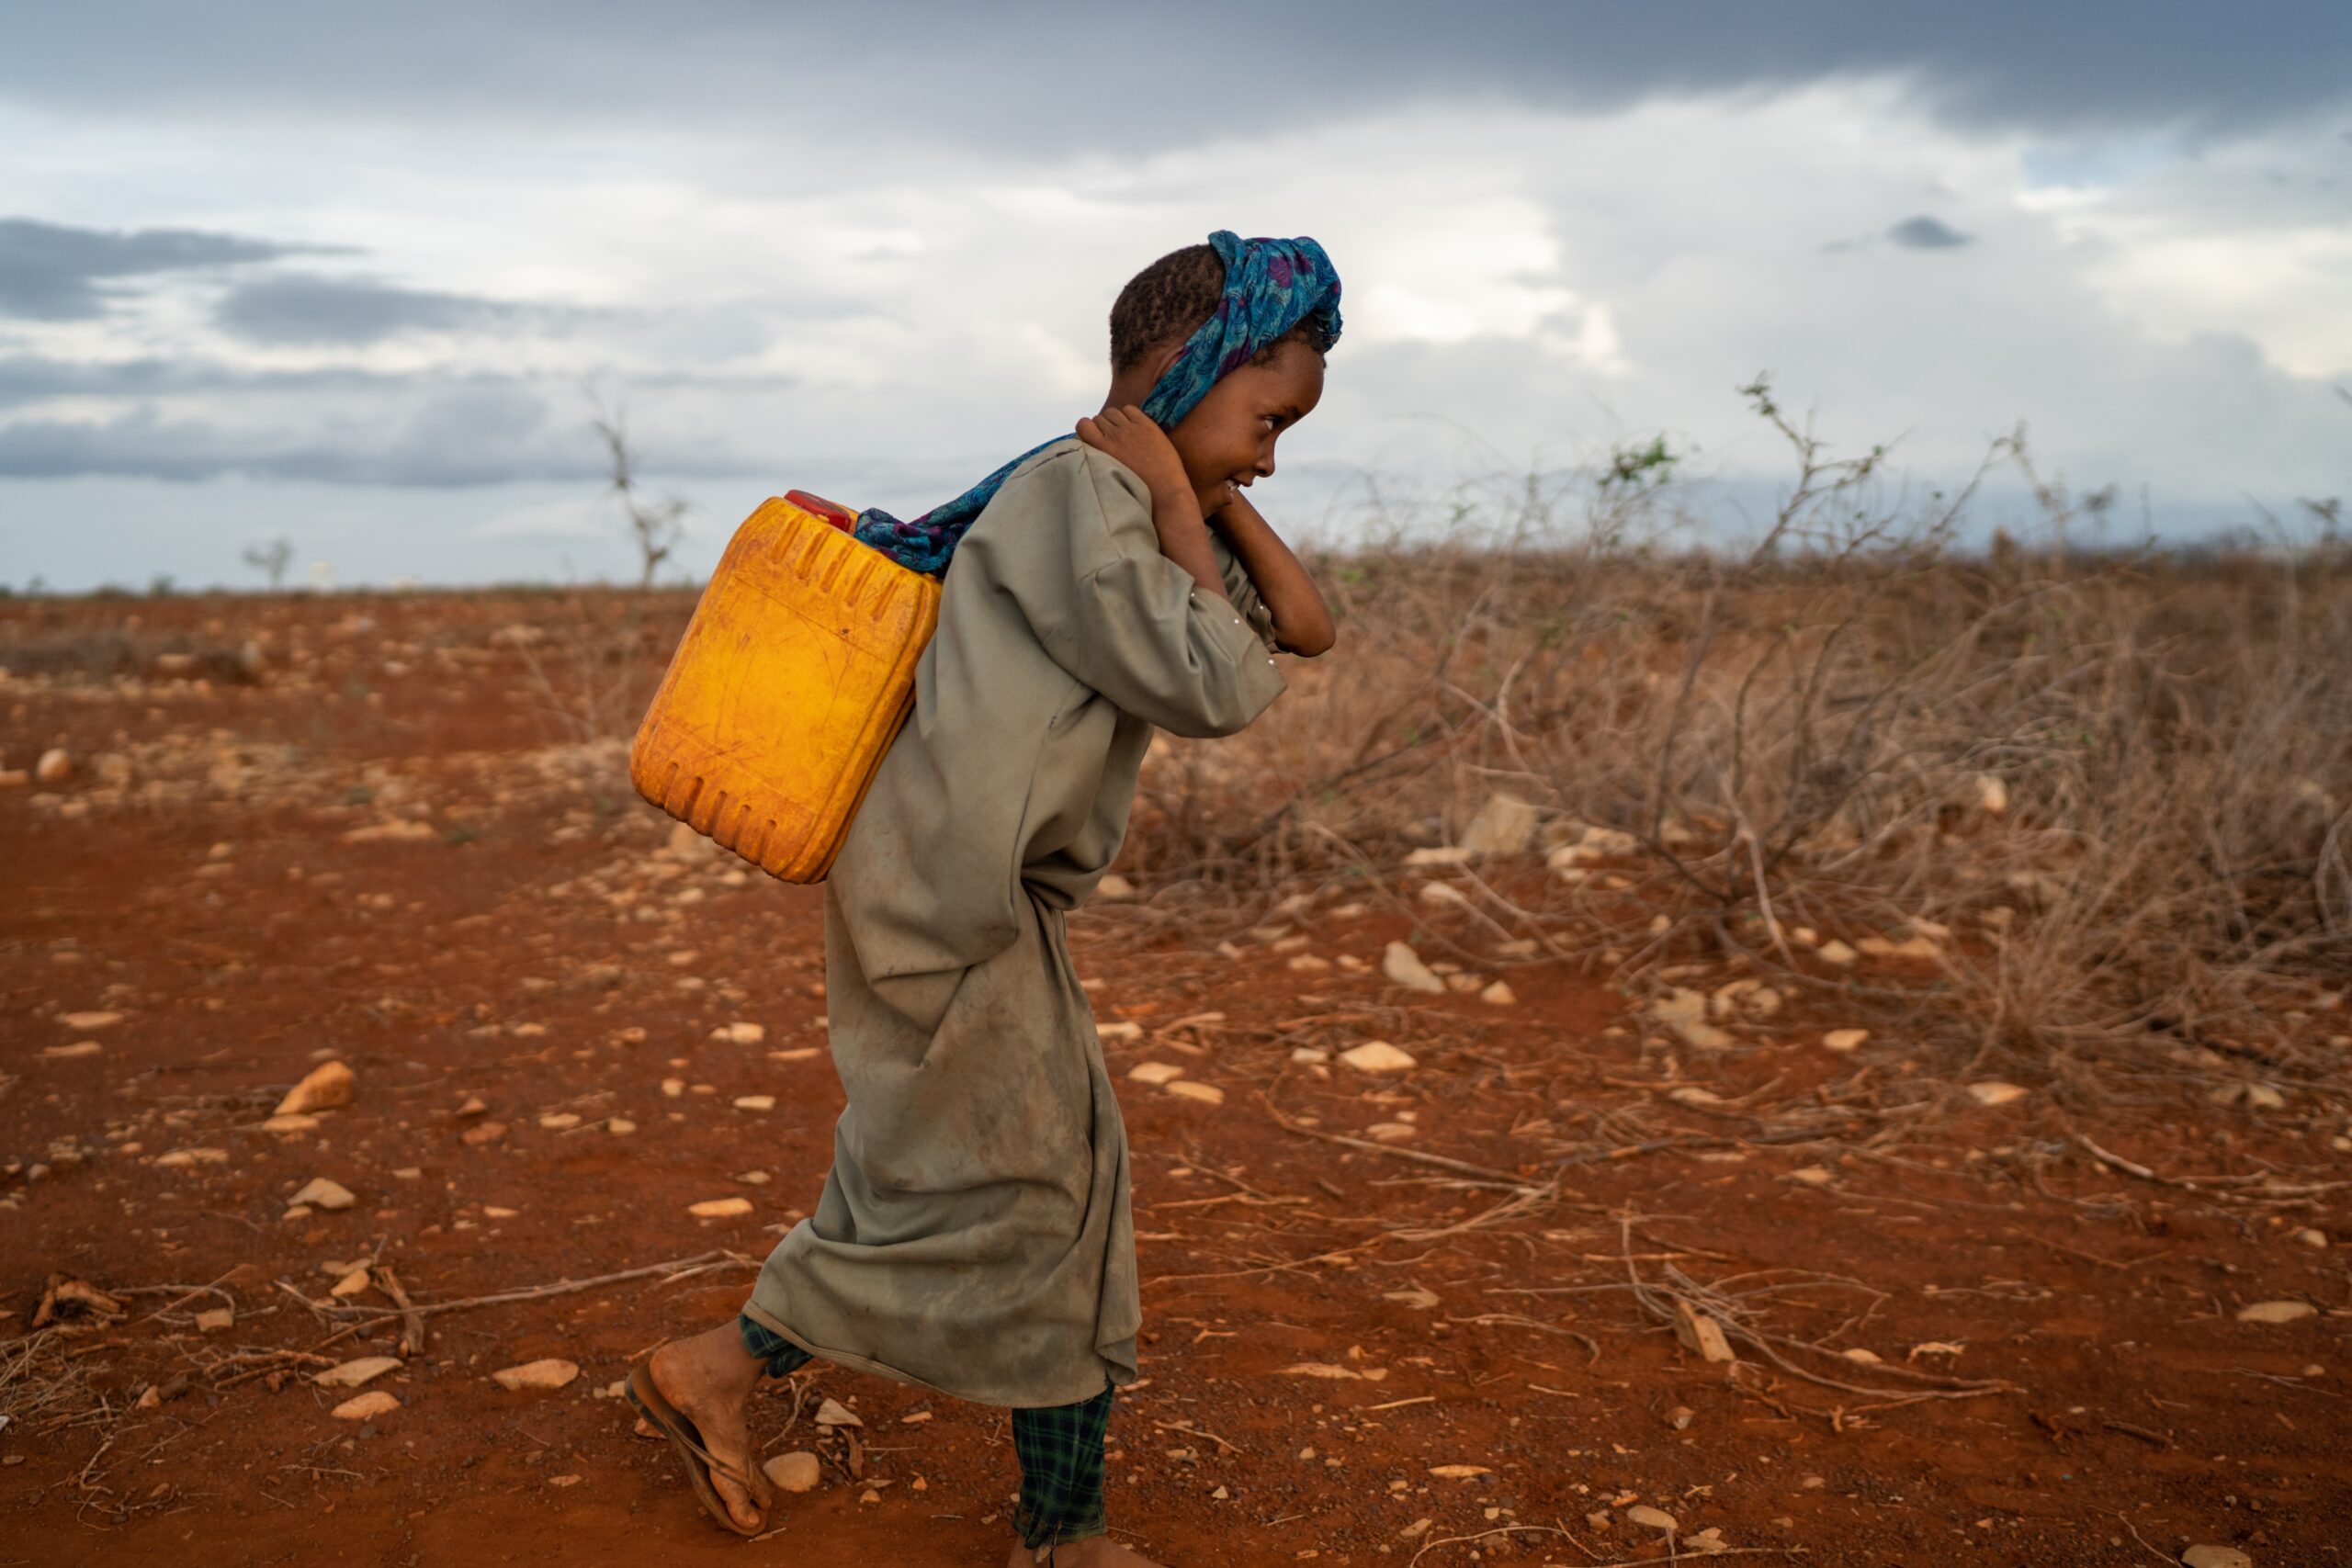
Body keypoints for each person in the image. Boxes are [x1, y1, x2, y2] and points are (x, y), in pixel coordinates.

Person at [628, 231, 1341, 1566]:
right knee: (1040, 1196)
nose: (1269, 452)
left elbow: (1303, 630)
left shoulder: (1120, 492)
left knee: (976, 1184)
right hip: (950, 899)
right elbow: (1225, 686)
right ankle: (1059, 1535)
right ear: (1197, 366)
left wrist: (1210, 477)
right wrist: (1186, 494)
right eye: (1268, 417)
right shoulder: (1083, 498)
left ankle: (722, 1369)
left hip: (975, 897)